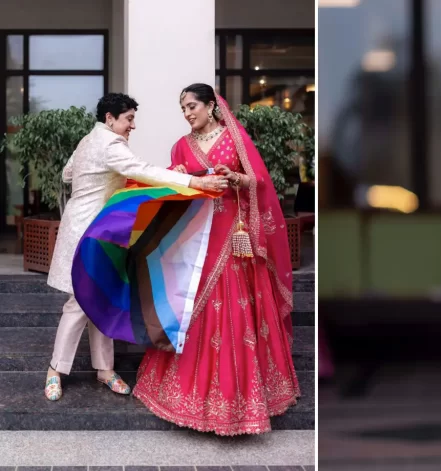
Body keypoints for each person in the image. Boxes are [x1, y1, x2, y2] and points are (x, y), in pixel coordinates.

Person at [131, 84, 299, 436]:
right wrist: (177, 177)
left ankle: (244, 402)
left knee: (234, 304)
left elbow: (259, 182)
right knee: (192, 301)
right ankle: (182, 396)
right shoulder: (182, 144)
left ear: (211, 106)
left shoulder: (234, 137)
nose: (188, 113)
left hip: (230, 234)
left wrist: (235, 177)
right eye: (184, 109)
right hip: (194, 236)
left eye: (193, 106)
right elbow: (174, 182)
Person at [45, 93, 229, 401]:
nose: (132, 126)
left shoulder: (86, 141)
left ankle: (104, 370)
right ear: (110, 119)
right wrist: (196, 184)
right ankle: (55, 370)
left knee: (101, 297)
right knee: (79, 302)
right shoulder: (111, 144)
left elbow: (67, 174)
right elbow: (142, 170)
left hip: (89, 229)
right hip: (90, 233)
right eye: (129, 119)